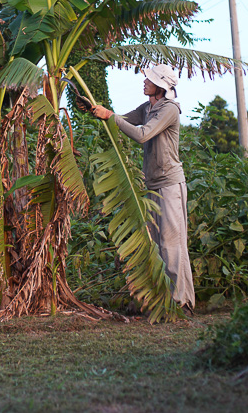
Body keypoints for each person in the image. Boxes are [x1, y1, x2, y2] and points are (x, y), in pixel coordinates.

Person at [91, 64, 195, 314]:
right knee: (156, 244)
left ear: (160, 86)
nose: (144, 82)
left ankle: (183, 302)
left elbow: (142, 135)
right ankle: (165, 300)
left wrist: (110, 116)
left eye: (148, 79)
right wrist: (97, 112)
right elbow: (123, 120)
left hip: (170, 184)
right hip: (153, 184)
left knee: (173, 244)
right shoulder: (147, 107)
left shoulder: (169, 110)